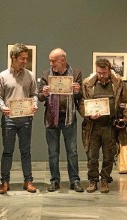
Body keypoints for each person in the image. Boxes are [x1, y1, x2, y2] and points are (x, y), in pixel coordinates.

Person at [78, 58, 127, 193]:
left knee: (109, 156)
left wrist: (125, 119)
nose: (101, 75)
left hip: (110, 127)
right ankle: (93, 180)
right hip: (92, 127)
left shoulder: (118, 84)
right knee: (92, 156)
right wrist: (88, 115)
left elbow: (125, 103)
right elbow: (81, 104)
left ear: (109, 70)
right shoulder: (87, 84)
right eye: (99, 72)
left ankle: (105, 179)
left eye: (104, 73)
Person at [38, 48, 84, 192]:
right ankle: (54, 180)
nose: (51, 64)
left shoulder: (76, 73)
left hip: (69, 117)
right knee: (53, 152)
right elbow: (39, 97)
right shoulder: (46, 74)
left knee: (72, 151)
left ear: (62, 60)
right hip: (52, 117)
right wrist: (44, 93)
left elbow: (80, 96)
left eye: (53, 61)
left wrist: (77, 91)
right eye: (50, 61)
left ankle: (75, 181)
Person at [0, 43, 38, 194]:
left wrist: (34, 104)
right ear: (13, 57)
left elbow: (34, 94)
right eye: (22, 58)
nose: (25, 61)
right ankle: (4, 182)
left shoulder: (30, 75)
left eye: (26, 58)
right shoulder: (2, 76)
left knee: (26, 151)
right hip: (9, 120)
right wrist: (3, 108)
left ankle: (28, 181)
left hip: (26, 119)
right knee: (8, 151)